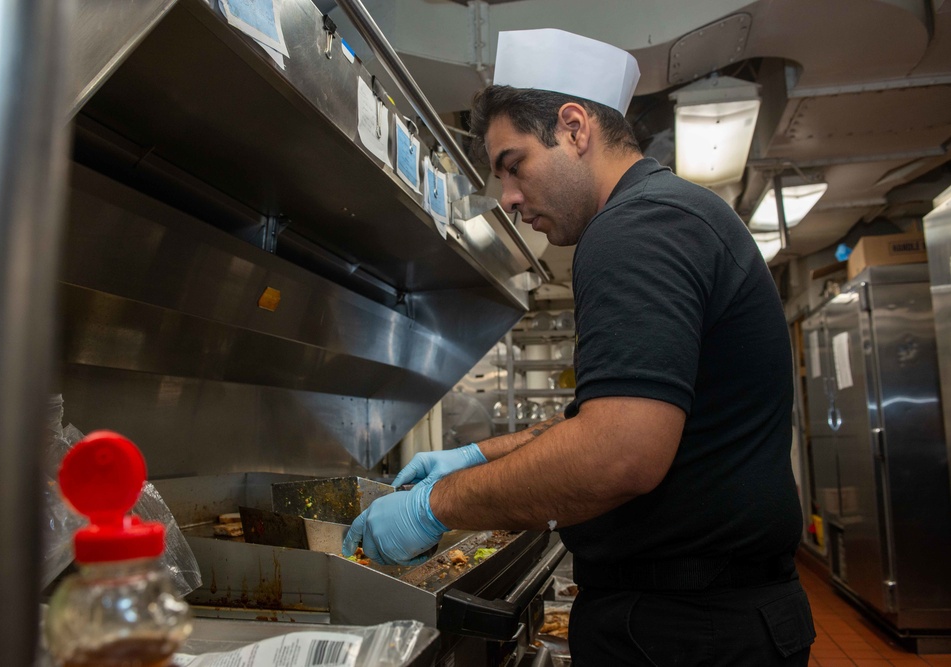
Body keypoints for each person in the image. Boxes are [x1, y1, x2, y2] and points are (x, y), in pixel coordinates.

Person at [344, 28, 814, 665]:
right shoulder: (671, 214)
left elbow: (619, 451)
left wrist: (433, 508)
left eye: (513, 165)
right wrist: (472, 457)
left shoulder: (634, 228)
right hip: (714, 619)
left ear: (573, 128)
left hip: (686, 632)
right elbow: (605, 420)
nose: (508, 198)